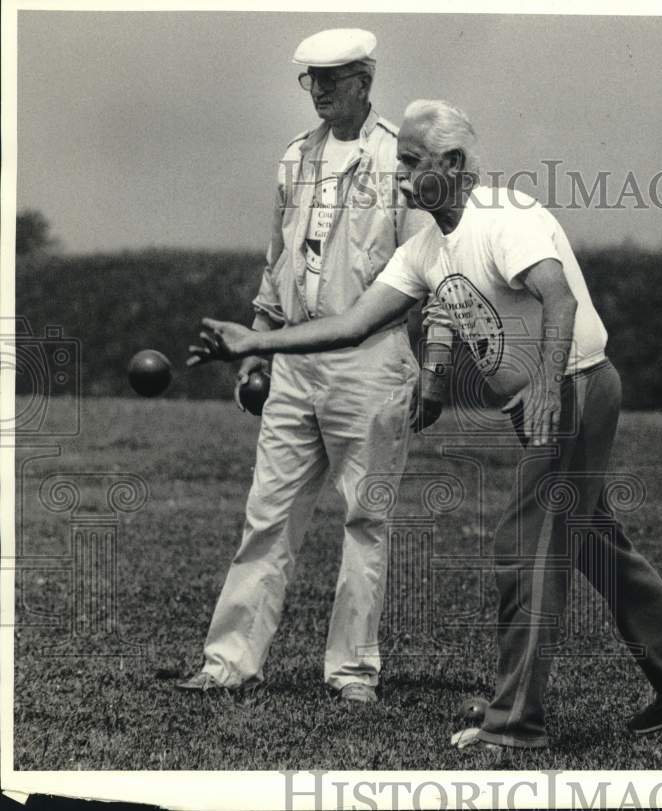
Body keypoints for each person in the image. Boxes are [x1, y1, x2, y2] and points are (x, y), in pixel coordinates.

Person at [188, 99, 662, 752]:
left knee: (525, 549)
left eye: (413, 163)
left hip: (577, 387)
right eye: (400, 163)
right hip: (548, 397)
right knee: (589, 540)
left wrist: (544, 388)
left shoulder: (506, 217)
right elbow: (355, 323)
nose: (401, 177)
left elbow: (558, 298)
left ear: (452, 163)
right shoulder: (426, 248)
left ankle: (515, 724)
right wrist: (256, 343)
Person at [178, 29, 444, 704]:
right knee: (266, 517)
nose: (320, 91)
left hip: (373, 364)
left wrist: (434, 364)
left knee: (366, 520)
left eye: (332, 78)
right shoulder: (296, 158)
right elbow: (277, 264)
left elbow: (431, 273)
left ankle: (352, 671)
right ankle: (228, 662)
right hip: (294, 363)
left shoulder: (400, 161)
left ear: (365, 78)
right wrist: (259, 346)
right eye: (310, 80)